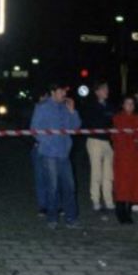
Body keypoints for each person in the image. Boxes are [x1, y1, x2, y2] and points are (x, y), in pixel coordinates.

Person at [30, 82, 82, 229]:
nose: (64, 95)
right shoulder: (42, 107)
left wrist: (73, 112)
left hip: (64, 153)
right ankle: (52, 218)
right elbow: (34, 129)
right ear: (53, 92)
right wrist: (48, 142)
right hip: (49, 153)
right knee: (52, 187)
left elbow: (75, 127)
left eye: (64, 92)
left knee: (70, 186)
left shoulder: (65, 107)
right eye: (61, 92)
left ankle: (71, 218)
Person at [81, 80, 116, 212]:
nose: (106, 91)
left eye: (107, 88)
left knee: (108, 173)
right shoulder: (91, 106)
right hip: (94, 140)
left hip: (107, 142)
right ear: (97, 92)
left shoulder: (110, 107)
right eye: (103, 88)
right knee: (96, 172)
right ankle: (95, 199)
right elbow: (90, 122)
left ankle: (108, 200)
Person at [111, 95, 138, 224]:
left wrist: (133, 137)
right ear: (122, 105)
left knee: (133, 183)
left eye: (132, 103)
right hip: (122, 156)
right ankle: (120, 211)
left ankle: (128, 210)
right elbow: (117, 137)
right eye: (127, 103)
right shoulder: (117, 118)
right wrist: (131, 138)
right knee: (122, 183)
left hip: (135, 156)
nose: (130, 106)